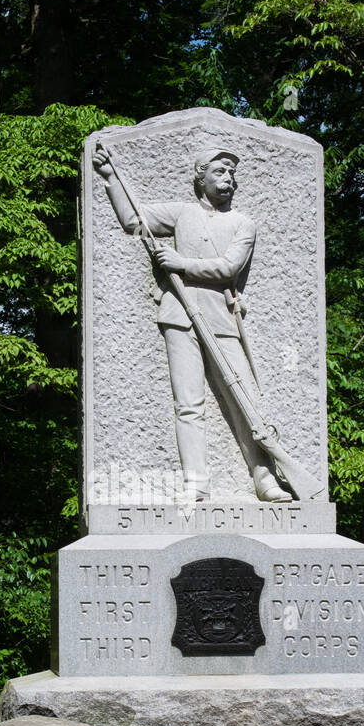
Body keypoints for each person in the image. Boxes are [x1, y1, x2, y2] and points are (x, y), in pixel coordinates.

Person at [92, 145, 289, 502]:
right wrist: (109, 178)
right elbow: (134, 221)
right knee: (188, 404)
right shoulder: (182, 213)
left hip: (220, 320)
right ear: (201, 177)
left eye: (232, 173)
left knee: (245, 401)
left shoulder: (242, 223)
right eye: (219, 171)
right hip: (179, 316)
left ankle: (265, 478)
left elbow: (228, 267)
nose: (228, 178)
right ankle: (196, 482)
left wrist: (180, 263)